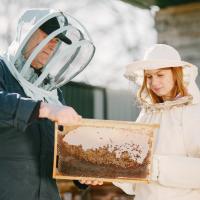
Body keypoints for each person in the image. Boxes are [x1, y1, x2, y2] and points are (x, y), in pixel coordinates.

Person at [0, 8, 96, 200]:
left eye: (57, 41)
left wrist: (81, 172)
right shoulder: (2, 69)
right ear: (26, 34)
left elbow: (60, 148)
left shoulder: (51, 91)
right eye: (47, 36)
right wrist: (42, 109)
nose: (52, 45)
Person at [113, 44, 200, 200]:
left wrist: (155, 167)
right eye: (149, 76)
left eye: (160, 75)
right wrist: (108, 171)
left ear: (176, 74)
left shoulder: (194, 112)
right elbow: (133, 183)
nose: (154, 83)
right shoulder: (146, 114)